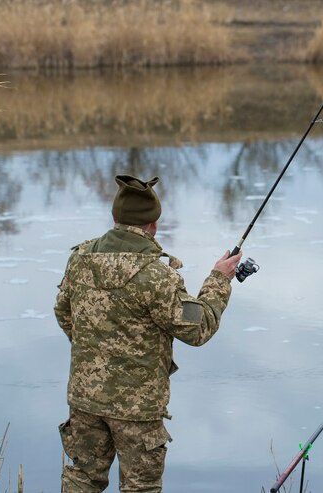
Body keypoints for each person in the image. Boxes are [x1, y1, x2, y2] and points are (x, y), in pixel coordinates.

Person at [54, 175, 242, 492]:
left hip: (85, 399)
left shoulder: (80, 260)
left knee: (82, 479)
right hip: (137, 409)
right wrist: (218, 280)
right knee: (140, 489)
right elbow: (198, 329)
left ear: (115, 218)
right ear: (153, 225)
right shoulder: (157, 275)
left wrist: (95, 355)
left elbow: (63, 311)